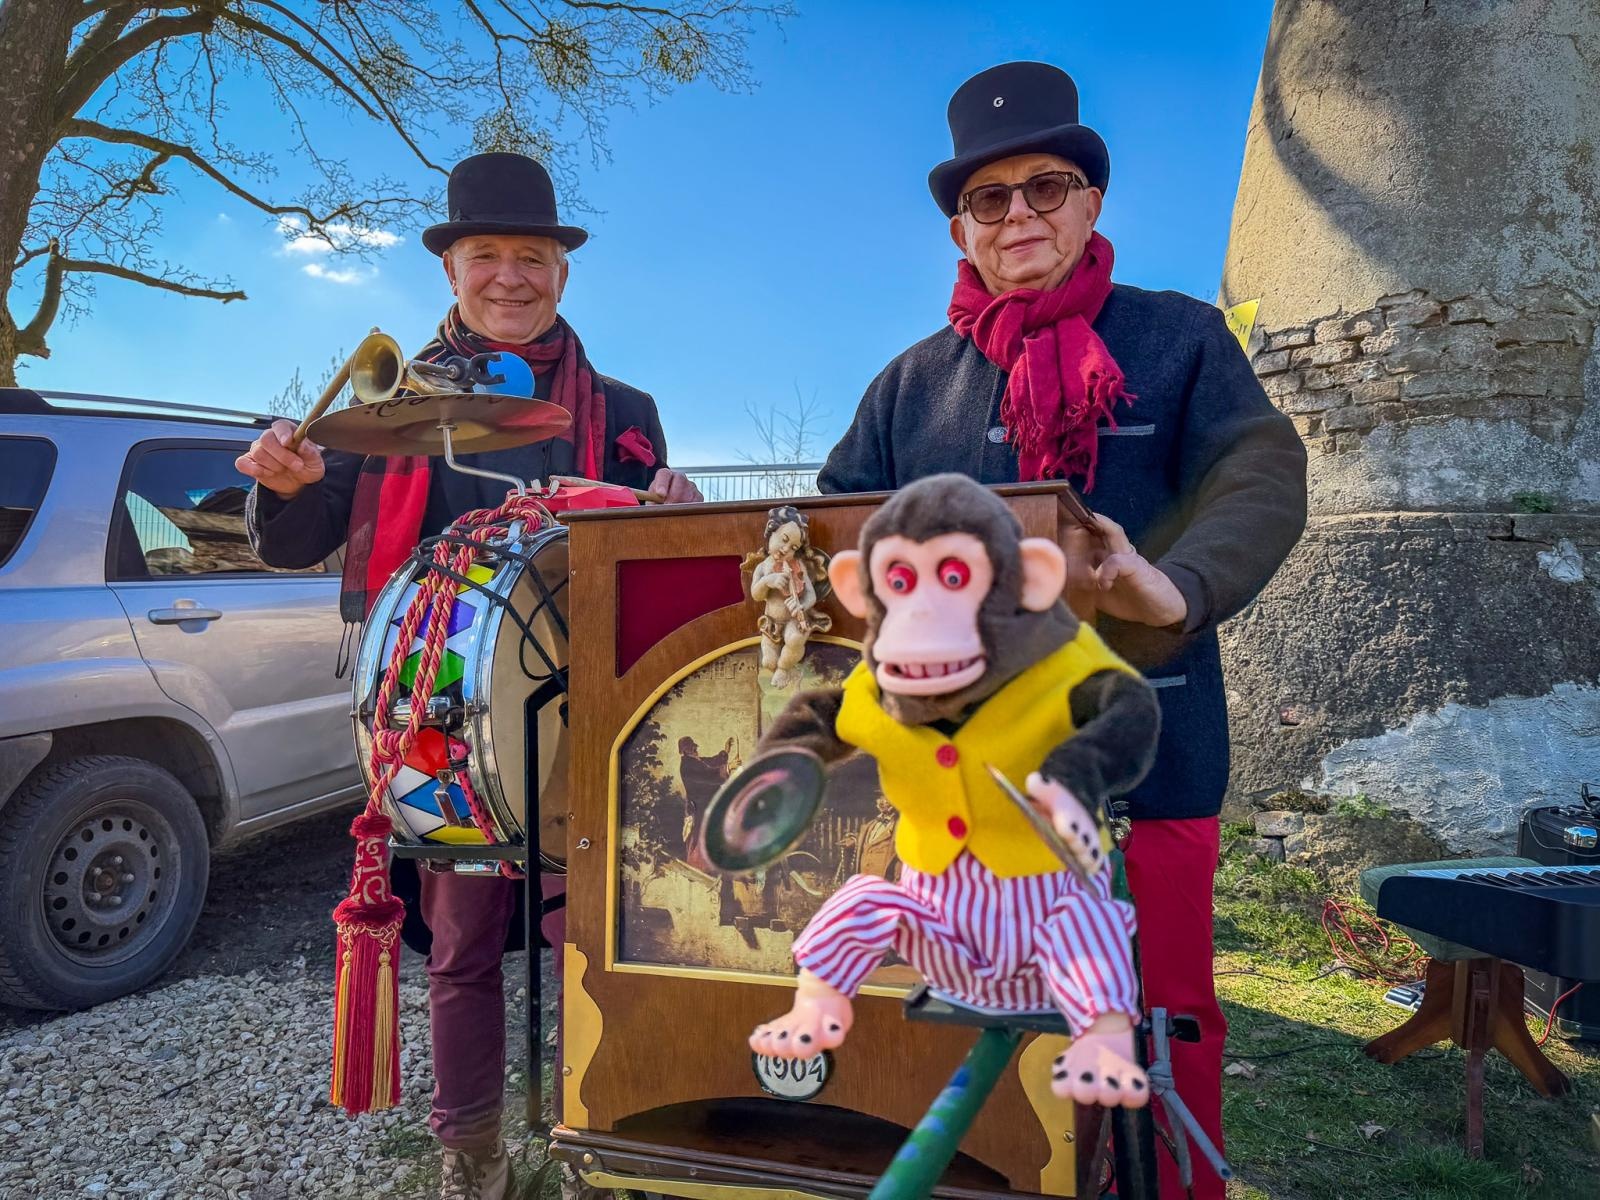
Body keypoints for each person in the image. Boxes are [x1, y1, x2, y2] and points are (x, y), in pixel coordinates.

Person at [817, 62, 1308, 1198]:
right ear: (960, 227)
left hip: (1149, 750)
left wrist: (1174, 584)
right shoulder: (908, 388)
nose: (1020, 214)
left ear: (1090, 202)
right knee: (979, 1010)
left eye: (1046, 187)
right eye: (991, 199)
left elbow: (1260, 477)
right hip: (963, 784)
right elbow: (840, 524)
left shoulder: (1181, 341)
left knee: (1165, 1009)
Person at [236, 152, 701, 1200]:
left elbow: (655, 559)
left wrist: (673, 504)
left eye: (529, 256)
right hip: (442, 718)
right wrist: (290, 483)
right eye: (484, 255)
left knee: (601, 932)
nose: (508, 276)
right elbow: (294, 538)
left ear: (562, 274)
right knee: (461, 944)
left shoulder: (624, 405)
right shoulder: (385, 406)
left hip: (597, 711)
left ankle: (604, 1122)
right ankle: (472, 1146)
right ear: (451, 270)